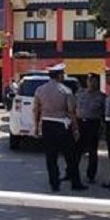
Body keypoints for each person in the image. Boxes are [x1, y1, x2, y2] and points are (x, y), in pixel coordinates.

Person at [33, 63, 87, 192]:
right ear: (59, 75)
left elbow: (36, 109)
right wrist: (75, 129)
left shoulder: (40, 90)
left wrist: (36, 126)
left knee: (51, 156)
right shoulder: (65, 91)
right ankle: (75, 182)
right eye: (62, 74)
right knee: (70, 156)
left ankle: (54, 183)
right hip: (62, 125)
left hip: (47, 124)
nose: (63, 76)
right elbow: (71, 112)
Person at [76, 73, 106, 184]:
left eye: (93, 81)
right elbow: (73, 107)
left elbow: (104, 113)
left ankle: (91, 175)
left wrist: (102, 128)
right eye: (89, 80)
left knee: (92, 151)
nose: (91, 83)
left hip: (93, 124)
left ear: (97, 82)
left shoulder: (101, 97)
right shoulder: (80, 93)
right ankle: (71, 172)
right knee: (76, 150)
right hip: (80, 123)